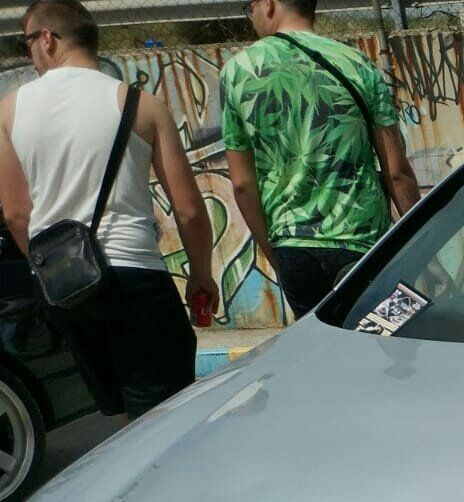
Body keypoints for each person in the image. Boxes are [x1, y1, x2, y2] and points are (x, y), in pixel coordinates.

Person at [0, 0, 217, 422]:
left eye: (27, 43)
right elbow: (189, 211)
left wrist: (47, 269)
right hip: (135, 276)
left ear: (47, 39)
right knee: (165, 417)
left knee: (122, 418)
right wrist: (201, 274)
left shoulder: (8, 111)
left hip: (65, 289)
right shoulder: (142, 105)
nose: (30, 54)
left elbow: (16, 214)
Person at [222, 0, 421, 320]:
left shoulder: (237, 72)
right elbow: (397, 173)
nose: (251, 16)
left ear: (269, 4)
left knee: (318, 347)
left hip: (293, 246)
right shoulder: (356, 63)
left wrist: (277, 255)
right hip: (362, 242)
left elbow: (243, 184)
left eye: (250, 7)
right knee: (387, 340)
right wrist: (422, 246)